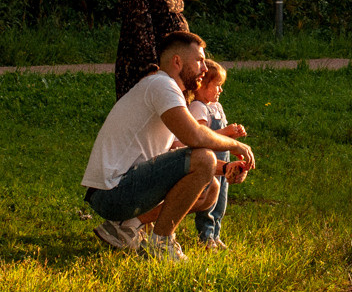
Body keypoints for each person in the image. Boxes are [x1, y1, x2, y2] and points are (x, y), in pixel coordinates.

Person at [83, 32, 255, 260]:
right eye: (199, 60)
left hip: (119, 191)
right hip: (113, 192)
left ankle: (125, 227)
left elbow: (178, 154)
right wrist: (236, 144)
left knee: (211, 188)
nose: (204, 68)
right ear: (177, 61)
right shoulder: (161, 84)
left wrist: (225, 169)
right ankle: (160, 243)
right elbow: (195, 137)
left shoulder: (166, 90)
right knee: (204, 158)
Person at [186, 59, 250, 250]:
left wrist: (234, 139)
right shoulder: (198, 107)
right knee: (208, 200)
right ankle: (205, 237)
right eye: (217, 86)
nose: (220, 90)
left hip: (224, 163)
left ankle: (215, 234)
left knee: (221, 200)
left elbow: (222, 137)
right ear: (201, 85)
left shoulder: (216, 107)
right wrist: (226, 133)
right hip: (210, 163)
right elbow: (201, 136)